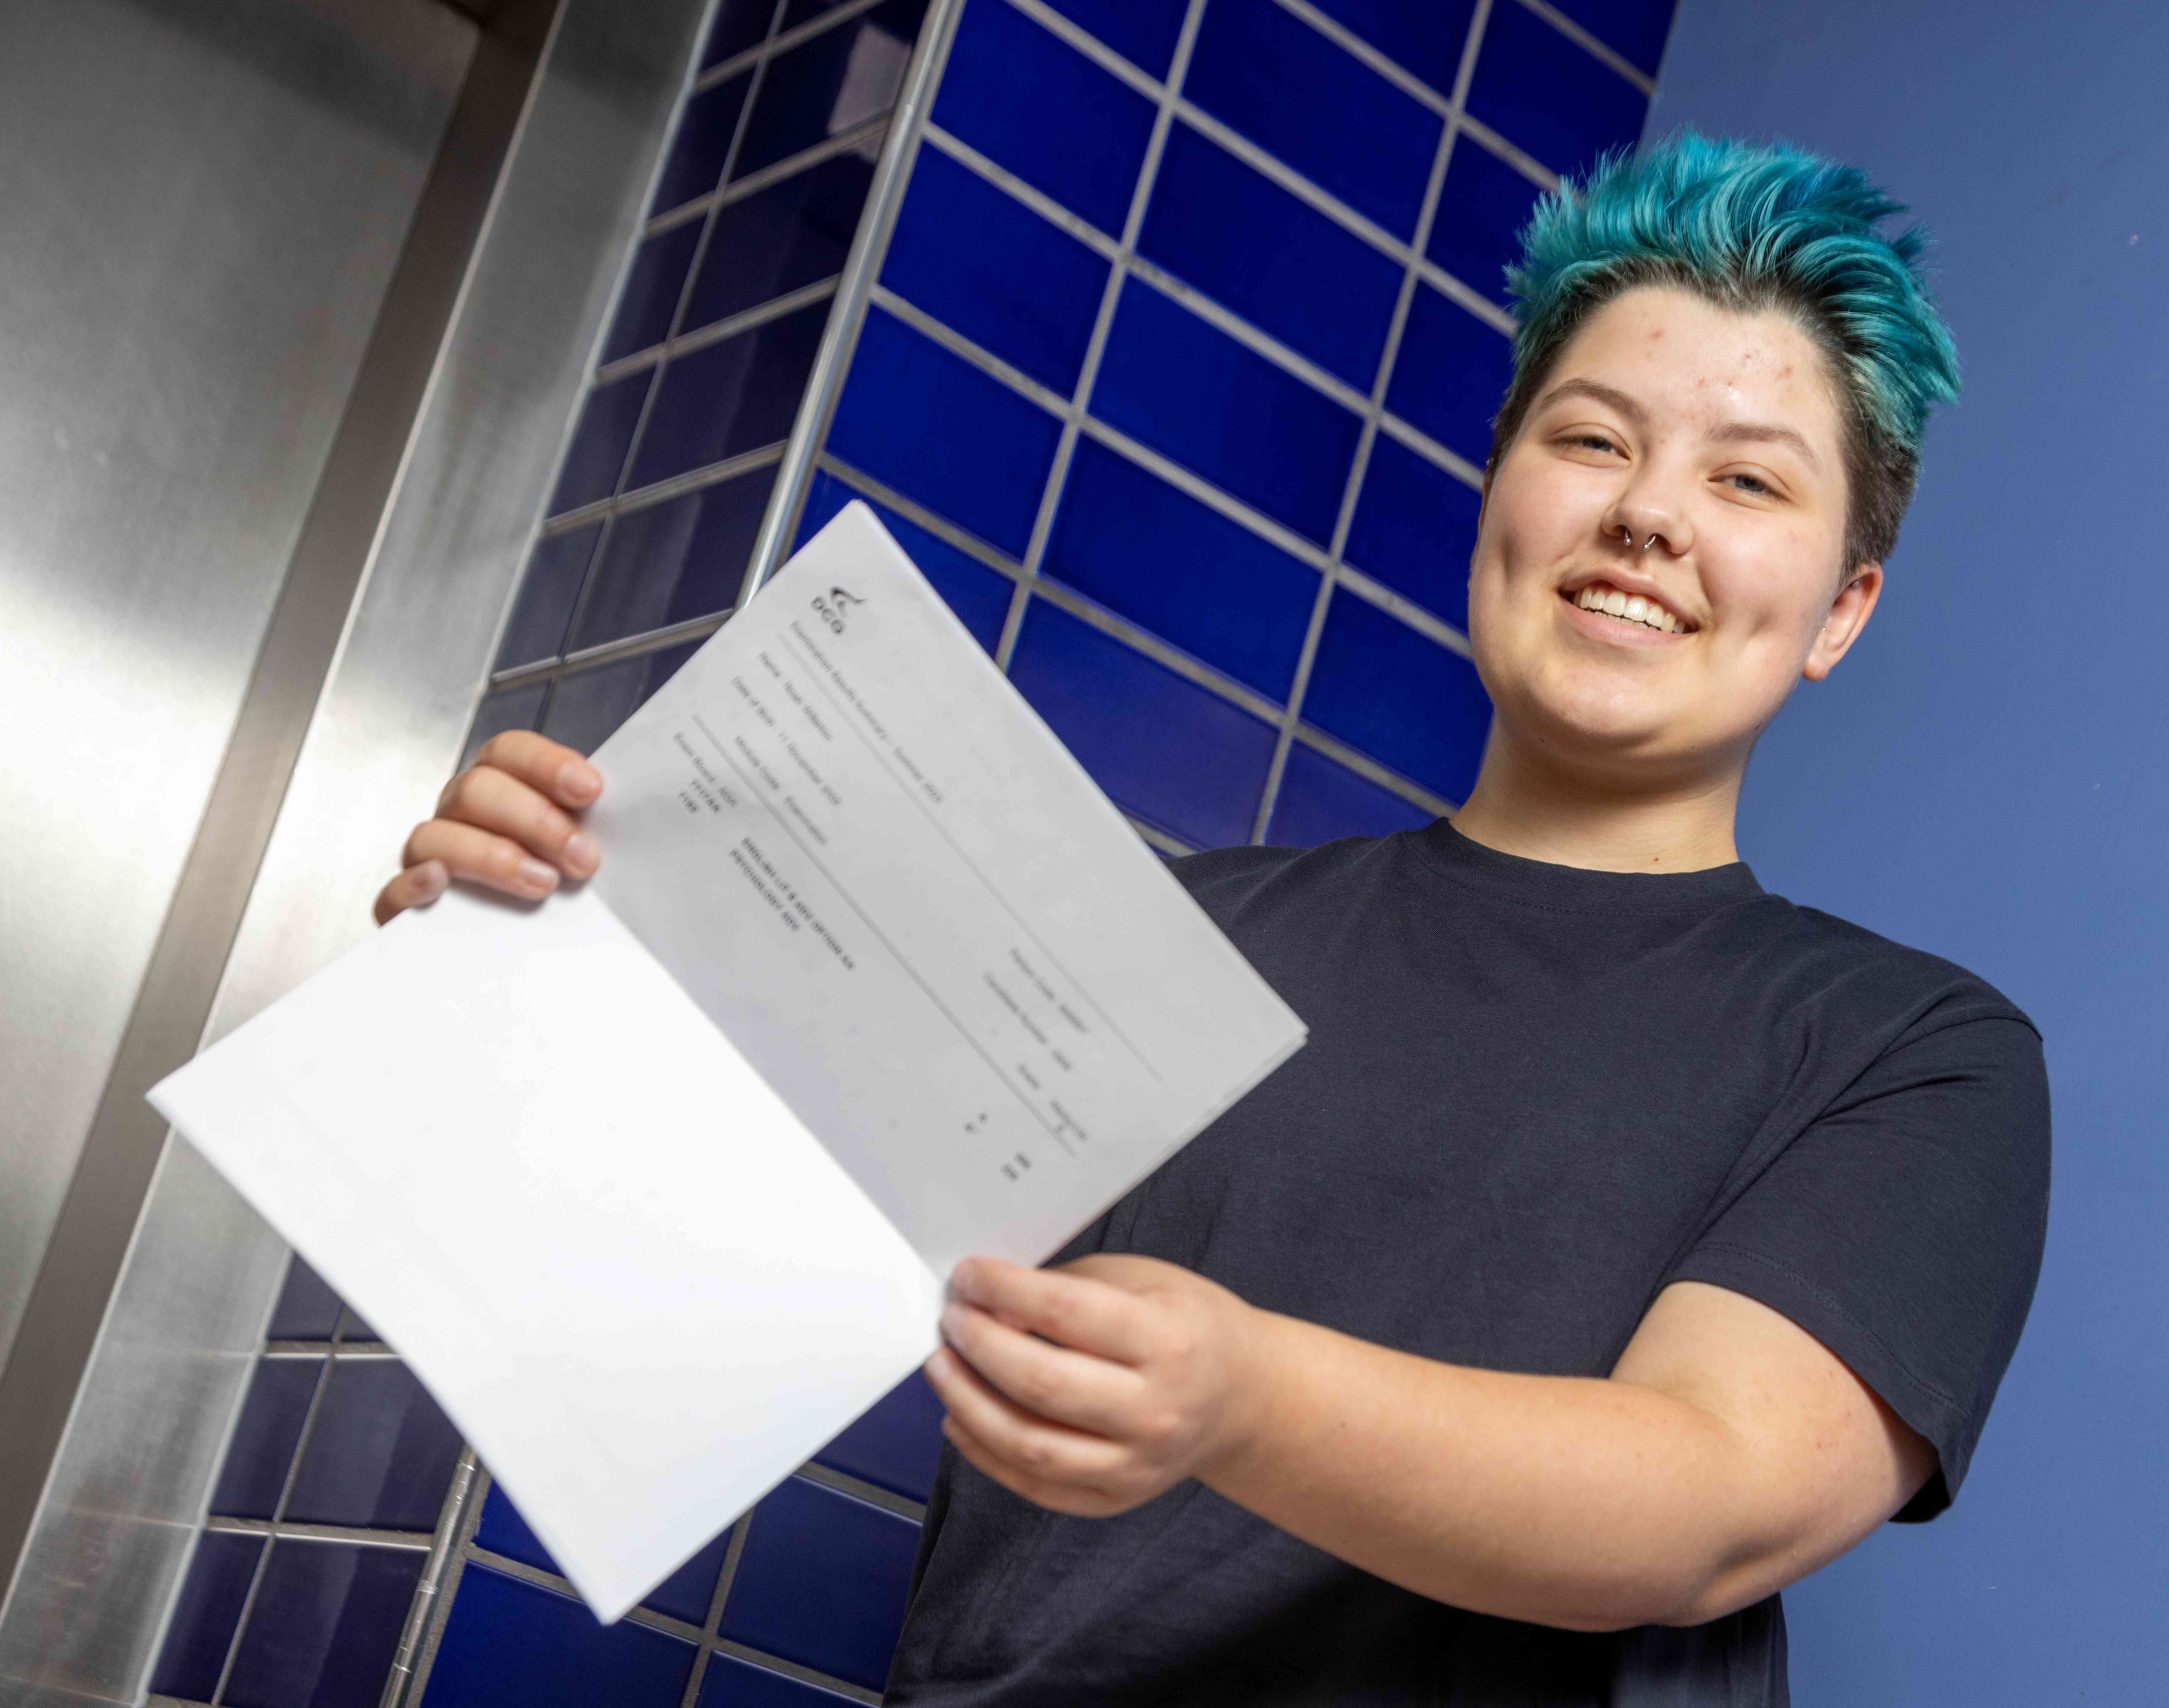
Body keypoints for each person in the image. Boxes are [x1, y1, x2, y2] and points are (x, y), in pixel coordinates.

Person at [378, 130, 2050, 1706]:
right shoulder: (1150, 944)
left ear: (1838, 611)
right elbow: (677, 1265)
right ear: (1499, 498)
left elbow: (1717, 1503)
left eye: (1749, 482)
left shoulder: (1908, 1055)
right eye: (1593, 439)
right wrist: (510, 965)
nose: (1649, 514)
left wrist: (1243, 1399)